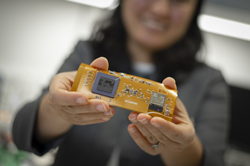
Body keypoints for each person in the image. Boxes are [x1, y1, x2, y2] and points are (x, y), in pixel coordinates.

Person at [12, 0, 230, 166]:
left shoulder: (210, 82)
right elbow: (21, 133)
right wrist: (57, 108)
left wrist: (180, 144)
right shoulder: (87, 53)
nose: (161, 9)